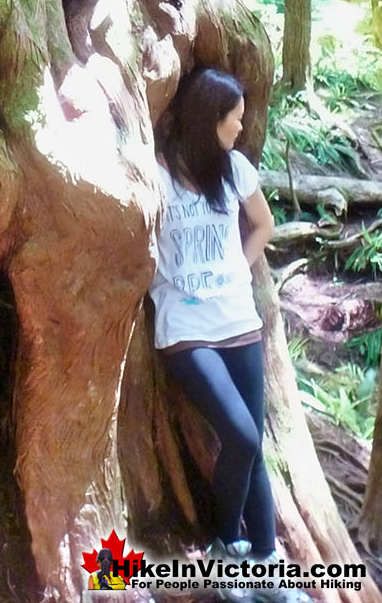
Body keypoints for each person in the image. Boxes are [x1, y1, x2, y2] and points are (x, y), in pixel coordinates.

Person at [150, 67, 276, 561]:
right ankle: (227, 544)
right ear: (210, 119)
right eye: (235, 119)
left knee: (255, 446)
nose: (241, 128)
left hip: (239, 318)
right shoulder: (157, 173)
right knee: (241, 437)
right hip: (184, 325)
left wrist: (234, 270)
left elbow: (263, 225)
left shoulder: (235, 168)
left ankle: (265, 560)